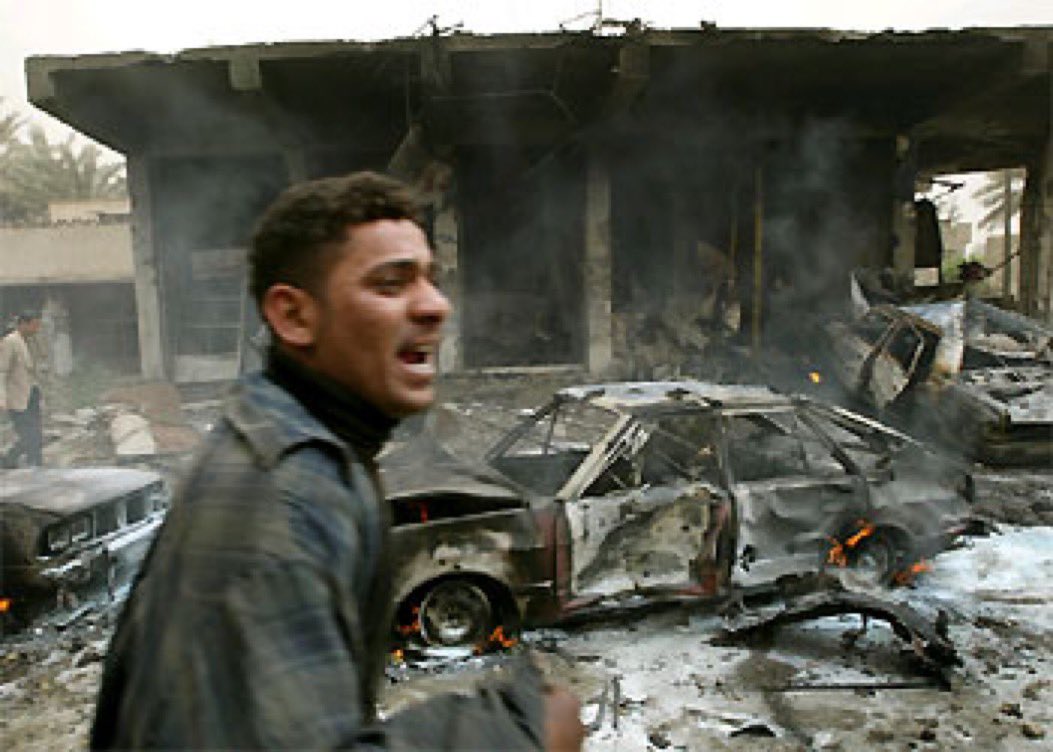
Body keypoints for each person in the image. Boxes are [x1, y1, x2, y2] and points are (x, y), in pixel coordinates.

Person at [90, 172, 584, 750]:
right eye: (390, 283)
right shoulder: (286, 498)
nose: (435, 305)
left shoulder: (299, 452)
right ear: (294, 316)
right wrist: (516, 732)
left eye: (431, 279)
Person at [0, 311, 44, 467]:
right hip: (17, 396)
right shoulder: (10, 341)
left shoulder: (31, 341)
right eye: (34, 325)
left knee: (36, 433)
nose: (36, 329)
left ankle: (35, 463)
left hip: (32, 392)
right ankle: (11, 460)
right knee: (29, 433)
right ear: (23, 324)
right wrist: (2, 397)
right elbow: (2, 371)